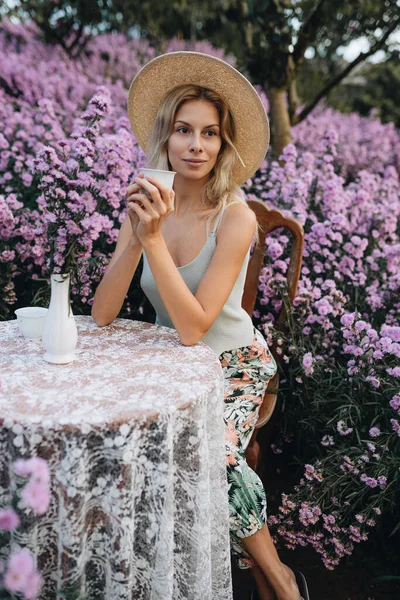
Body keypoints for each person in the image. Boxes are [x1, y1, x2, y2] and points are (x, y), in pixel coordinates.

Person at [92, 52, 303, 600]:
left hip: (232, 365)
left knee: (211, 452)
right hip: (172, 363)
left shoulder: (235, 217)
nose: (196, 145)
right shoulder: (147, 206)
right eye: (184, 130)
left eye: (210, 134)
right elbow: (102, 313)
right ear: (165, 136)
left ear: (223, 144)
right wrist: (138, 234)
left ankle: (280, 580)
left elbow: (195, 329)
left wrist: (155, 241)